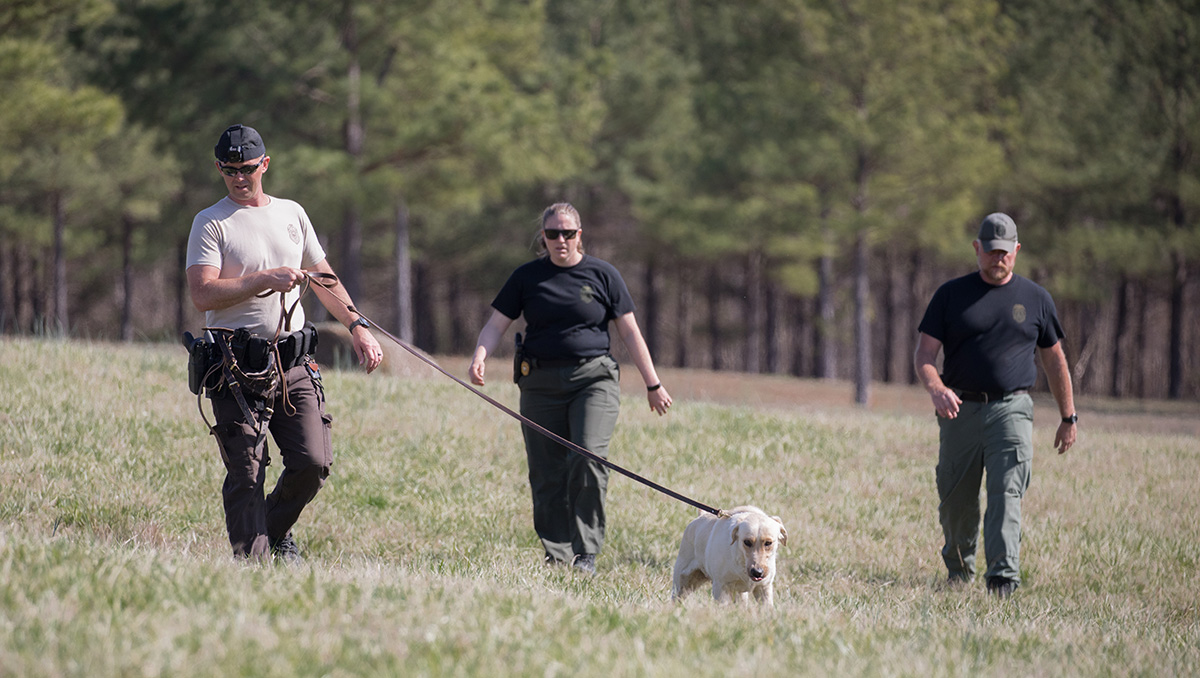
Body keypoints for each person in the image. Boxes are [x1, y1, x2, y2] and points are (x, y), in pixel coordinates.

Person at [186, 123, 384, 562]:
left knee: (313, 462)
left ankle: (273, 532)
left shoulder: (292, 213)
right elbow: (202, 293)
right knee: (247, 472)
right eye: (229, 169)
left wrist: (357, 326)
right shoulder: (210, 222)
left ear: (266, 164)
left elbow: (324, 277)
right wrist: (263, 280)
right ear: (219, 168)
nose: (239, 177)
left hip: (294, 362)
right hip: (235, 366)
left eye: (248, 168)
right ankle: (251, 569)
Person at [469, 202, 672, 574]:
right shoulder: (527, 277)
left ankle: (586, 552)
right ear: (542, 238)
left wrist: (652, 382)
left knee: (588, 456)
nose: (560, 240)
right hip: (539, 382)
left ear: (580, 235)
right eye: (552, 234)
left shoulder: (603, 274)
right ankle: (557, 552)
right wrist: (480, 355)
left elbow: (629, 331)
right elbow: (497, 323)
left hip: (593, 379)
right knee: (546, 470)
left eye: (568, 233)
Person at [913, 212, 1077, 598]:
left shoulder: (1036, 299)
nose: (997, 258)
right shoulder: (950, 295)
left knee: (1007, 494)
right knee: (956, 501)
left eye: (1005, 252)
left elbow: (1055, 360)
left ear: (1017, 250)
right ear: (977, 249)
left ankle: (1002, 579)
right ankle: (959, 572)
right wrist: (936, 389)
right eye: (990, 251)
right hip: (959, 411)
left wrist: (1068, 416)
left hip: (1012, 410)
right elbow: (924, 353)